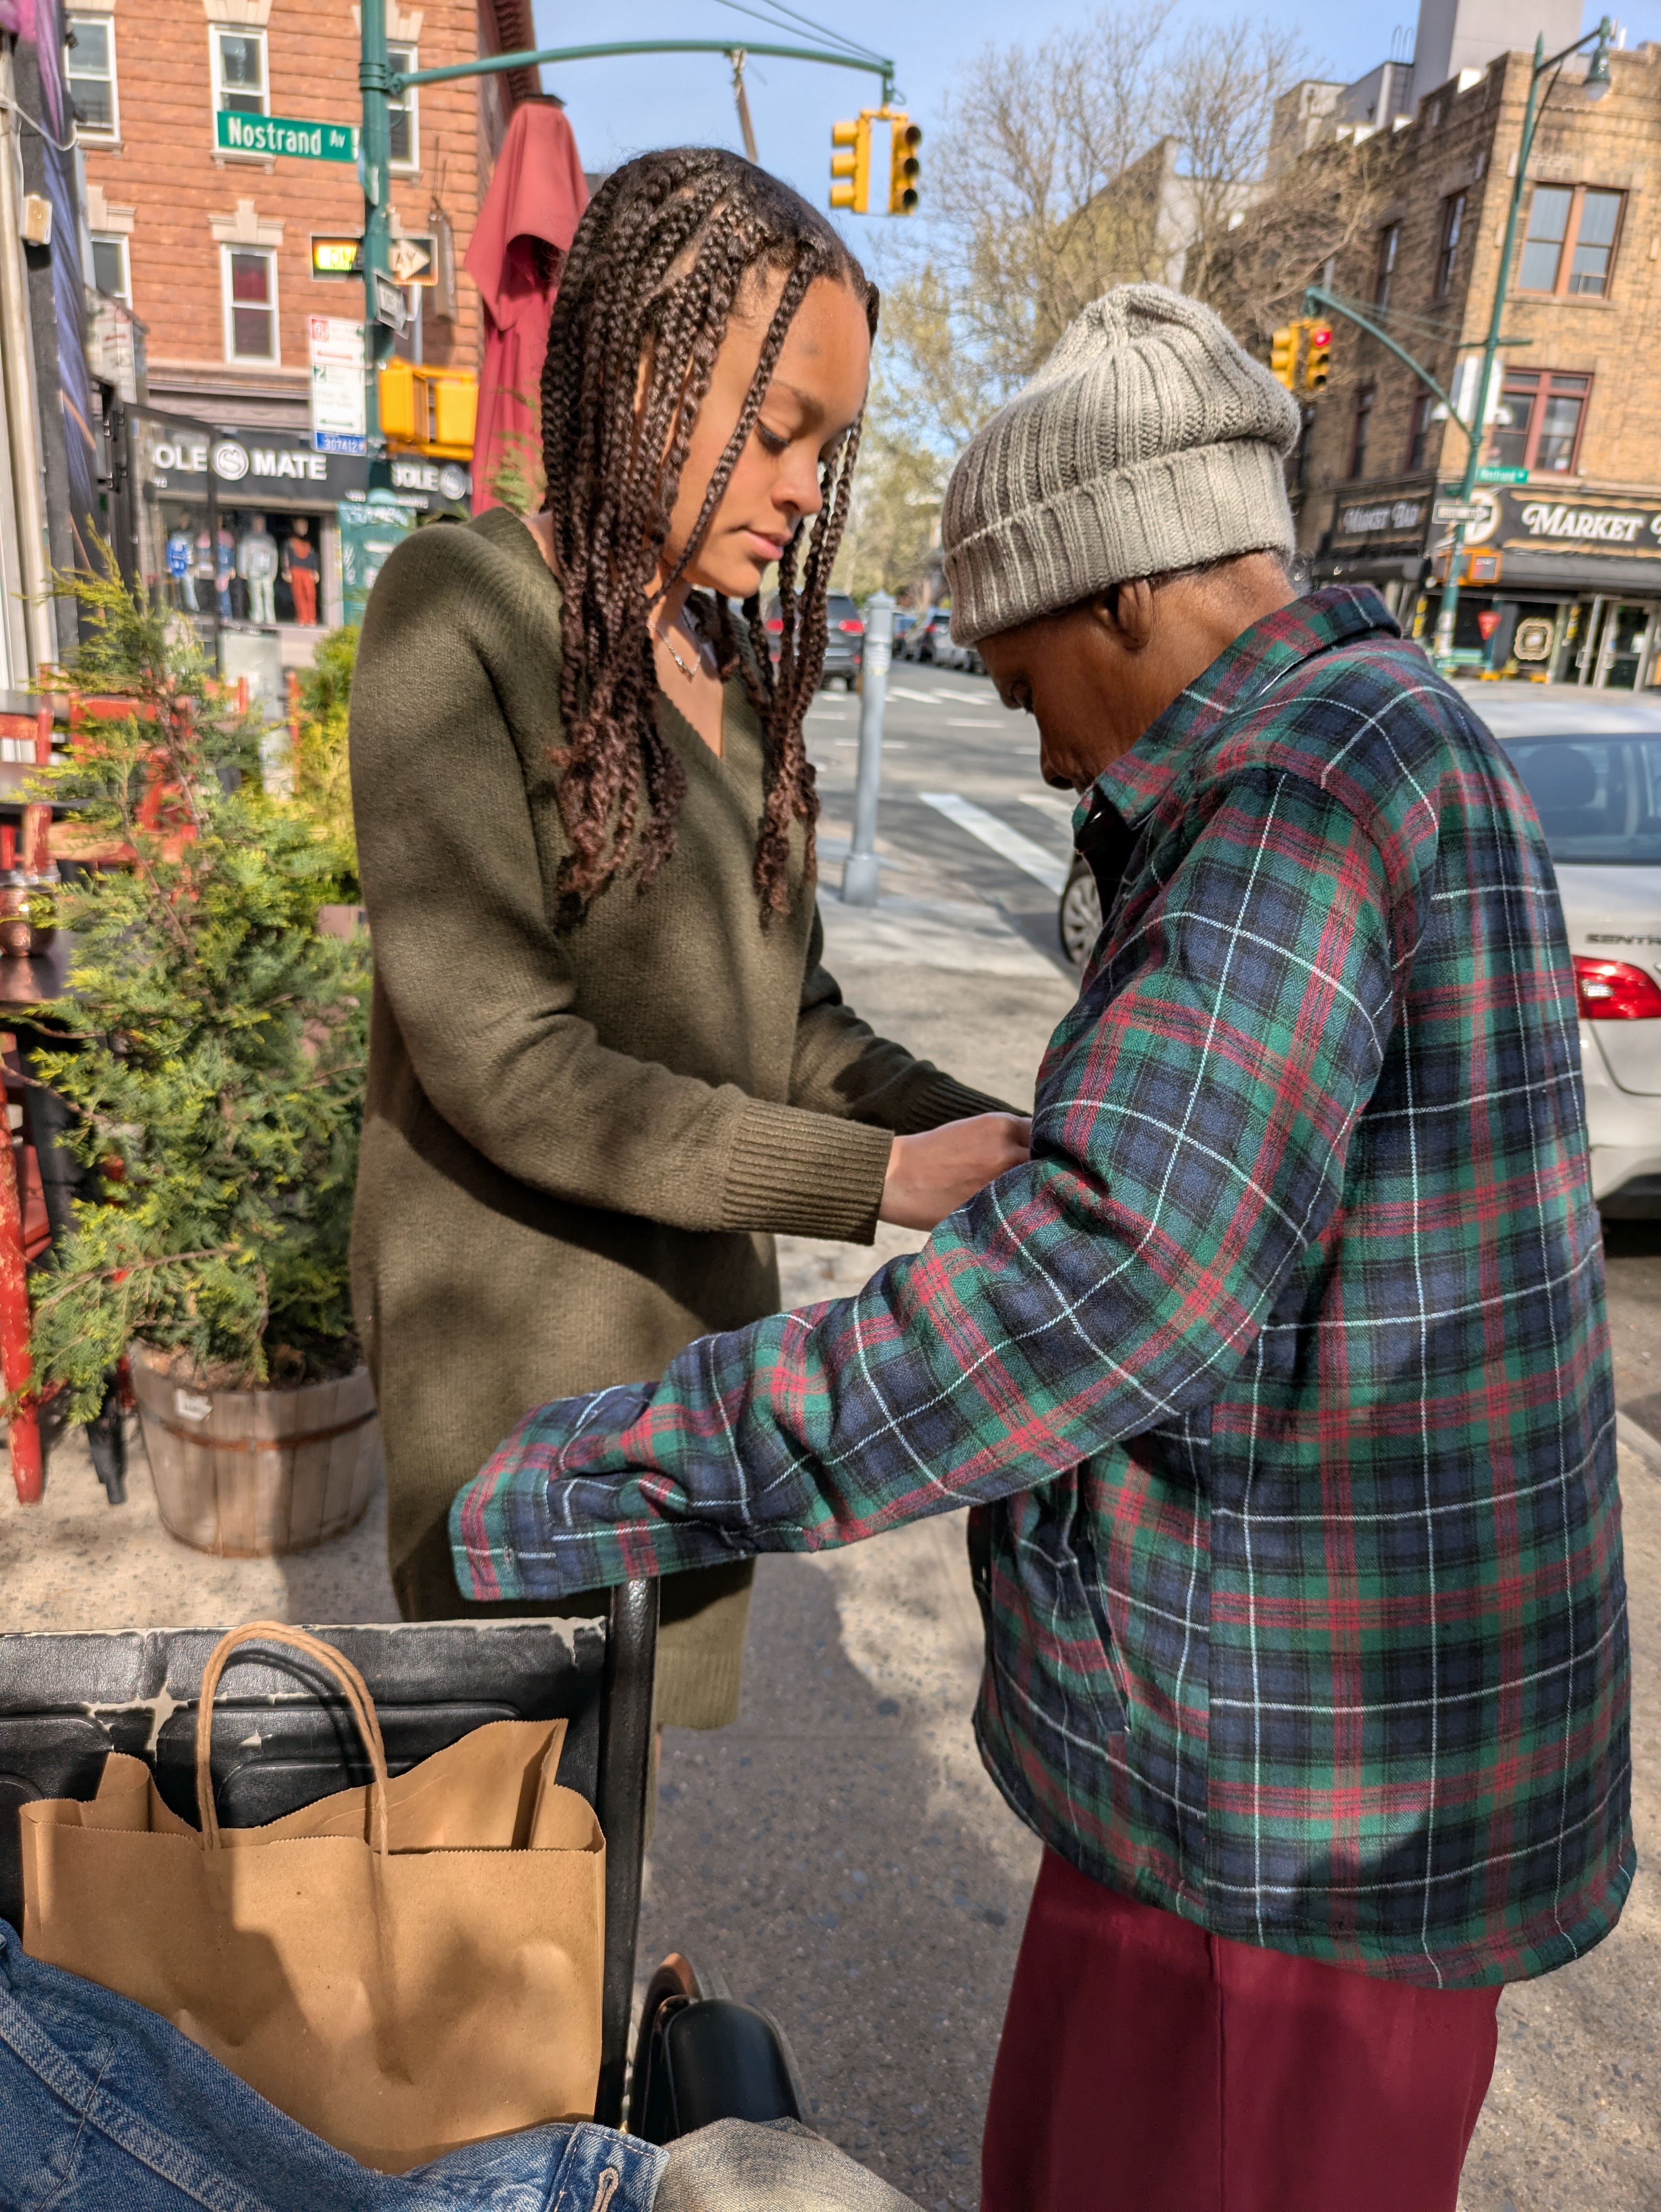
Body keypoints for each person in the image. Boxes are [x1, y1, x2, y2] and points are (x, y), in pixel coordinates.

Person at [446, 287, 1631, 2212]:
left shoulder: (1301, 788)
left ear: (1121, 598)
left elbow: (1095, 1288)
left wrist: (605, 1469)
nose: (1037, 737)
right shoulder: (1383, 734)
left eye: (1018, 678)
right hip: (1297, 1769)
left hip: (1294, 1817)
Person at [348, 149, 1029, 1739]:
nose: (805, 487)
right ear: (647, 371)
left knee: (611, 1814)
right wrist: (872, 1184)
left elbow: (795, 1022)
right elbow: (502, 1062)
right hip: (517, 1364)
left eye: (828, 447)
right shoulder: (462, 609)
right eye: (778, 429)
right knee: (495, 1843)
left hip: (693, 1365)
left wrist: (984, 1136)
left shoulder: (726, 660)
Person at [283, 518, 318, 626]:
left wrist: (315, 570)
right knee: (299, 596)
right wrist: (286, 571)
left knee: (311, 595)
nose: (303, 529)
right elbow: (285, 557)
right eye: (300, 526)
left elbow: (314, 557)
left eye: (305, 526)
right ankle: (302, 618)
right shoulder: (290, 542)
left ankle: (311, 619)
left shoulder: (310, 542)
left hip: (308, 572)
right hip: (296, 571)